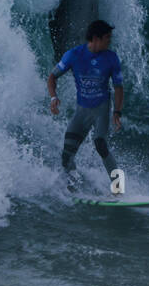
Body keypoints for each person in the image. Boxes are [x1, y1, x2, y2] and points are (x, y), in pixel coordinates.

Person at [48, 19, 125, 190]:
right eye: (107, 38)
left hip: (101, 109)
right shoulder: (74, 55)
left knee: (101, 144)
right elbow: (52, 77)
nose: (109, 41)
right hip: (82, 111)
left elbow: (119, 87)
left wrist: (117, 112)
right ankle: (73, 187)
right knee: (66, 154)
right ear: (96, 38)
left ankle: (119, 188)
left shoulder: (111, 58)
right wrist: (54, 98)